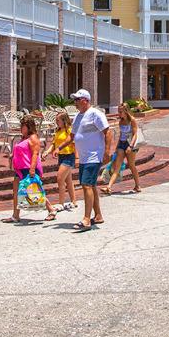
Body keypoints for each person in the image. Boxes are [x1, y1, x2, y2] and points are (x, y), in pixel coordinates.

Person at [70, 89, 111, 232]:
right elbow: (72, 136)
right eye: (74, 99)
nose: (75, 102)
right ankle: (98, 215)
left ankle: (86, 219)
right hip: (83, 157)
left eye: (77, 99)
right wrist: (57, 148)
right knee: (91, 186)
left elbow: (108, 132)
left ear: (85, 100)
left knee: (87, 185)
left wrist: (106, 152)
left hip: (94, 155)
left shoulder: (95, 114)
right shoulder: (77, 117)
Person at [3, 115, 56, 223]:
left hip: (28, 168)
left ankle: (51, 209)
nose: (21, 128)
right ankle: (15, 215)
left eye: (23, 126)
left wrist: (32, 169)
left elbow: (35, 154)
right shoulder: (23, 138)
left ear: (29, 127)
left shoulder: (33, 138)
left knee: (34, 191)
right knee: (17, 191)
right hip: (20, 169)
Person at [103, 103, 141, 195]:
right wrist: (116, 148)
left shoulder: (132, 120)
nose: (119, 114)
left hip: (130, 144)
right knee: (117, 167)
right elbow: (121, 136)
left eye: (120, 112)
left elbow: (135, 134)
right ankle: (109, 187)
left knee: (131, 165)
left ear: (126, 111)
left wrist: (131, 146)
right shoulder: (121, 121)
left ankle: (137, 185)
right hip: (122, 144)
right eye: (118, 112)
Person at [42, 111, 77, 210]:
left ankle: (61, 203)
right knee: (68, 180)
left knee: (60, 178)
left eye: (58, 120)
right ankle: (74, 201)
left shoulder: (69, 130)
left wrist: (77, 158)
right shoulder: (58, 131)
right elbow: (53, 144)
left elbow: (74, 144)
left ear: (64, 120)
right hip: (61, 157)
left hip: (68, 156)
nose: (56, 122)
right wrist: (46, 152)